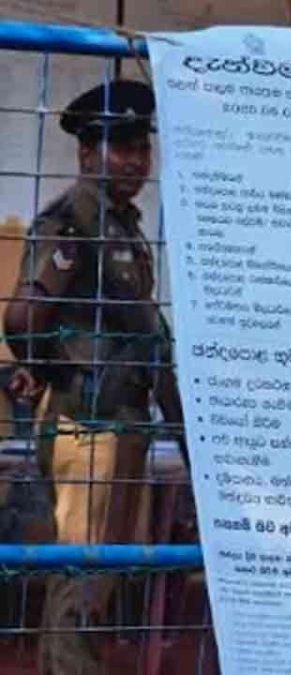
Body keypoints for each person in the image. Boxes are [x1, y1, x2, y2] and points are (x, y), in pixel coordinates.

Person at [1, 79, 186, 675]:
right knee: (82, 577)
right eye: (120, 147)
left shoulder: (123, 225)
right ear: (87, 152)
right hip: (89, 425)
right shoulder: (72, 224)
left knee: (100, 578)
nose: (135, 160)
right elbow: (22, 319)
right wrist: (63, 374)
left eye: (141, 147)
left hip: (120, 424)